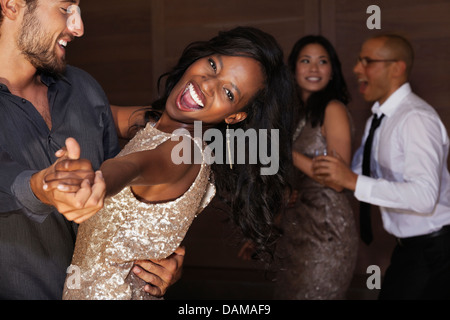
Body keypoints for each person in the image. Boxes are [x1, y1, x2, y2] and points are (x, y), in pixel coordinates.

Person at [43, 26, 296, 300]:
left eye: (229, 93)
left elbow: (135, 166)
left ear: (234, 117)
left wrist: (98, 180)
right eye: (213, 64)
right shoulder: (156, 124)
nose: (208, 83)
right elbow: (99, 112)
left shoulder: (185, 149)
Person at [0, 0, 182, 299]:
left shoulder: (84, 88)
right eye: (65, 9)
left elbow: (114, 211)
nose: (78, 28)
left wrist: (159, 258)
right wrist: (40, 187)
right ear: (11, 5)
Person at [312, 33, 450, 299]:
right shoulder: (380, 117)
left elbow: (423, 198)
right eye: (358, 61)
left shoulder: (415, 119)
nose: (356, 69)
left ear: (396, 68)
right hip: (411, 249)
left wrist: (351, 180)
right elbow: (358, 171)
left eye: (367, 61)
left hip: (437, 251)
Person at [271, 35, 358, 300]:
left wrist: (285, 151)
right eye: (305, 61)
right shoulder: (293, 114)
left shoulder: (333, 109)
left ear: (332, 71)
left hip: (326, 230)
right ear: (293, 69)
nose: (313, 68)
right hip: (294, 226)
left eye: (322, 61)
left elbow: (337, 181)